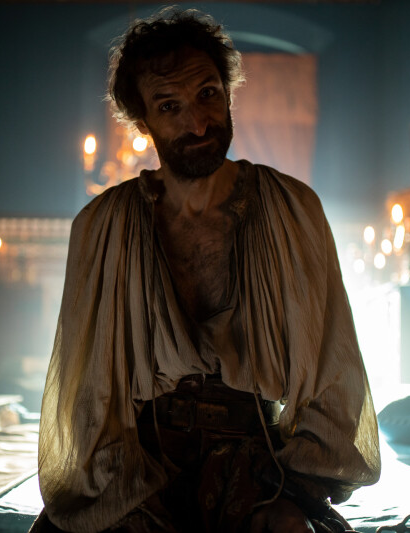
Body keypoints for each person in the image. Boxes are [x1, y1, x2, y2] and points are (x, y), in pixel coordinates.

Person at [34, 7, 380, 533]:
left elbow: (335, 377)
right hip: (136, 464)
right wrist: (120, 495)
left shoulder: (291, 210)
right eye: (169, 106)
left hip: (257, 462)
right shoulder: (102, 226)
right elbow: (85, 399)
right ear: (143, 121)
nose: (197, 123)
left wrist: (294, 492)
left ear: (228, 92)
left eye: (207, 94)